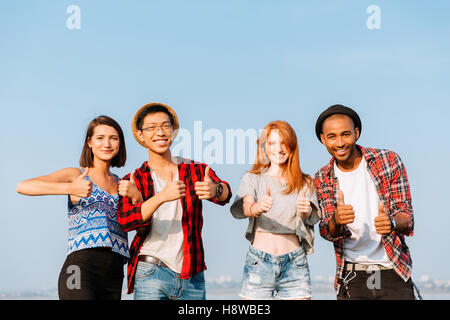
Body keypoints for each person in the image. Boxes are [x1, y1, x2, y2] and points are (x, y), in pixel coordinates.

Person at [117, 102, 232, 300]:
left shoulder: (195, 169)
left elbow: (226, 195)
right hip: (151, 270)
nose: (159, 132)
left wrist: (216, 189)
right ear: (140, 135)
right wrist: (162, 197)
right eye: (151, 128)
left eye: (165, 126)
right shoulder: (135, 178)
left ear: (174, 130)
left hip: (192, 274)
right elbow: (126, 221)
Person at [16, 116, 132, 300]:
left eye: (114, 138)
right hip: (79, 268)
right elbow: (23, 186)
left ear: (120, 143)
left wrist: (136, 196)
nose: (107, 143)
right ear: (90, 143)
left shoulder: (124, 184)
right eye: (100, 138)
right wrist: (69, 188)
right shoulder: (77, 175)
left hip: (114, 273)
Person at [313, 104, 417, 300]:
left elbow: (407, 217)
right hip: (352, 275)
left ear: (357, 133)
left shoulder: (388, 161)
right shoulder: (322, 178)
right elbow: (328, 231)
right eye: (332, 136)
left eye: (346, 134)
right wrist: (336, 220)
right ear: (323, 139)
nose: (340, 142)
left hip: (392, 270)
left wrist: (392, 223)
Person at [230, 120, 320, 300]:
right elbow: (246, 206)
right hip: (259, 262)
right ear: (263, 147)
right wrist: (257, 208)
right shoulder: (252, 179)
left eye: (283, 143)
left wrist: (305, 213)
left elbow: (313, 218)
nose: (278, 149)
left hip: (295, 263)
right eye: (272, 143)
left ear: (292, 146)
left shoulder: (306, 182)